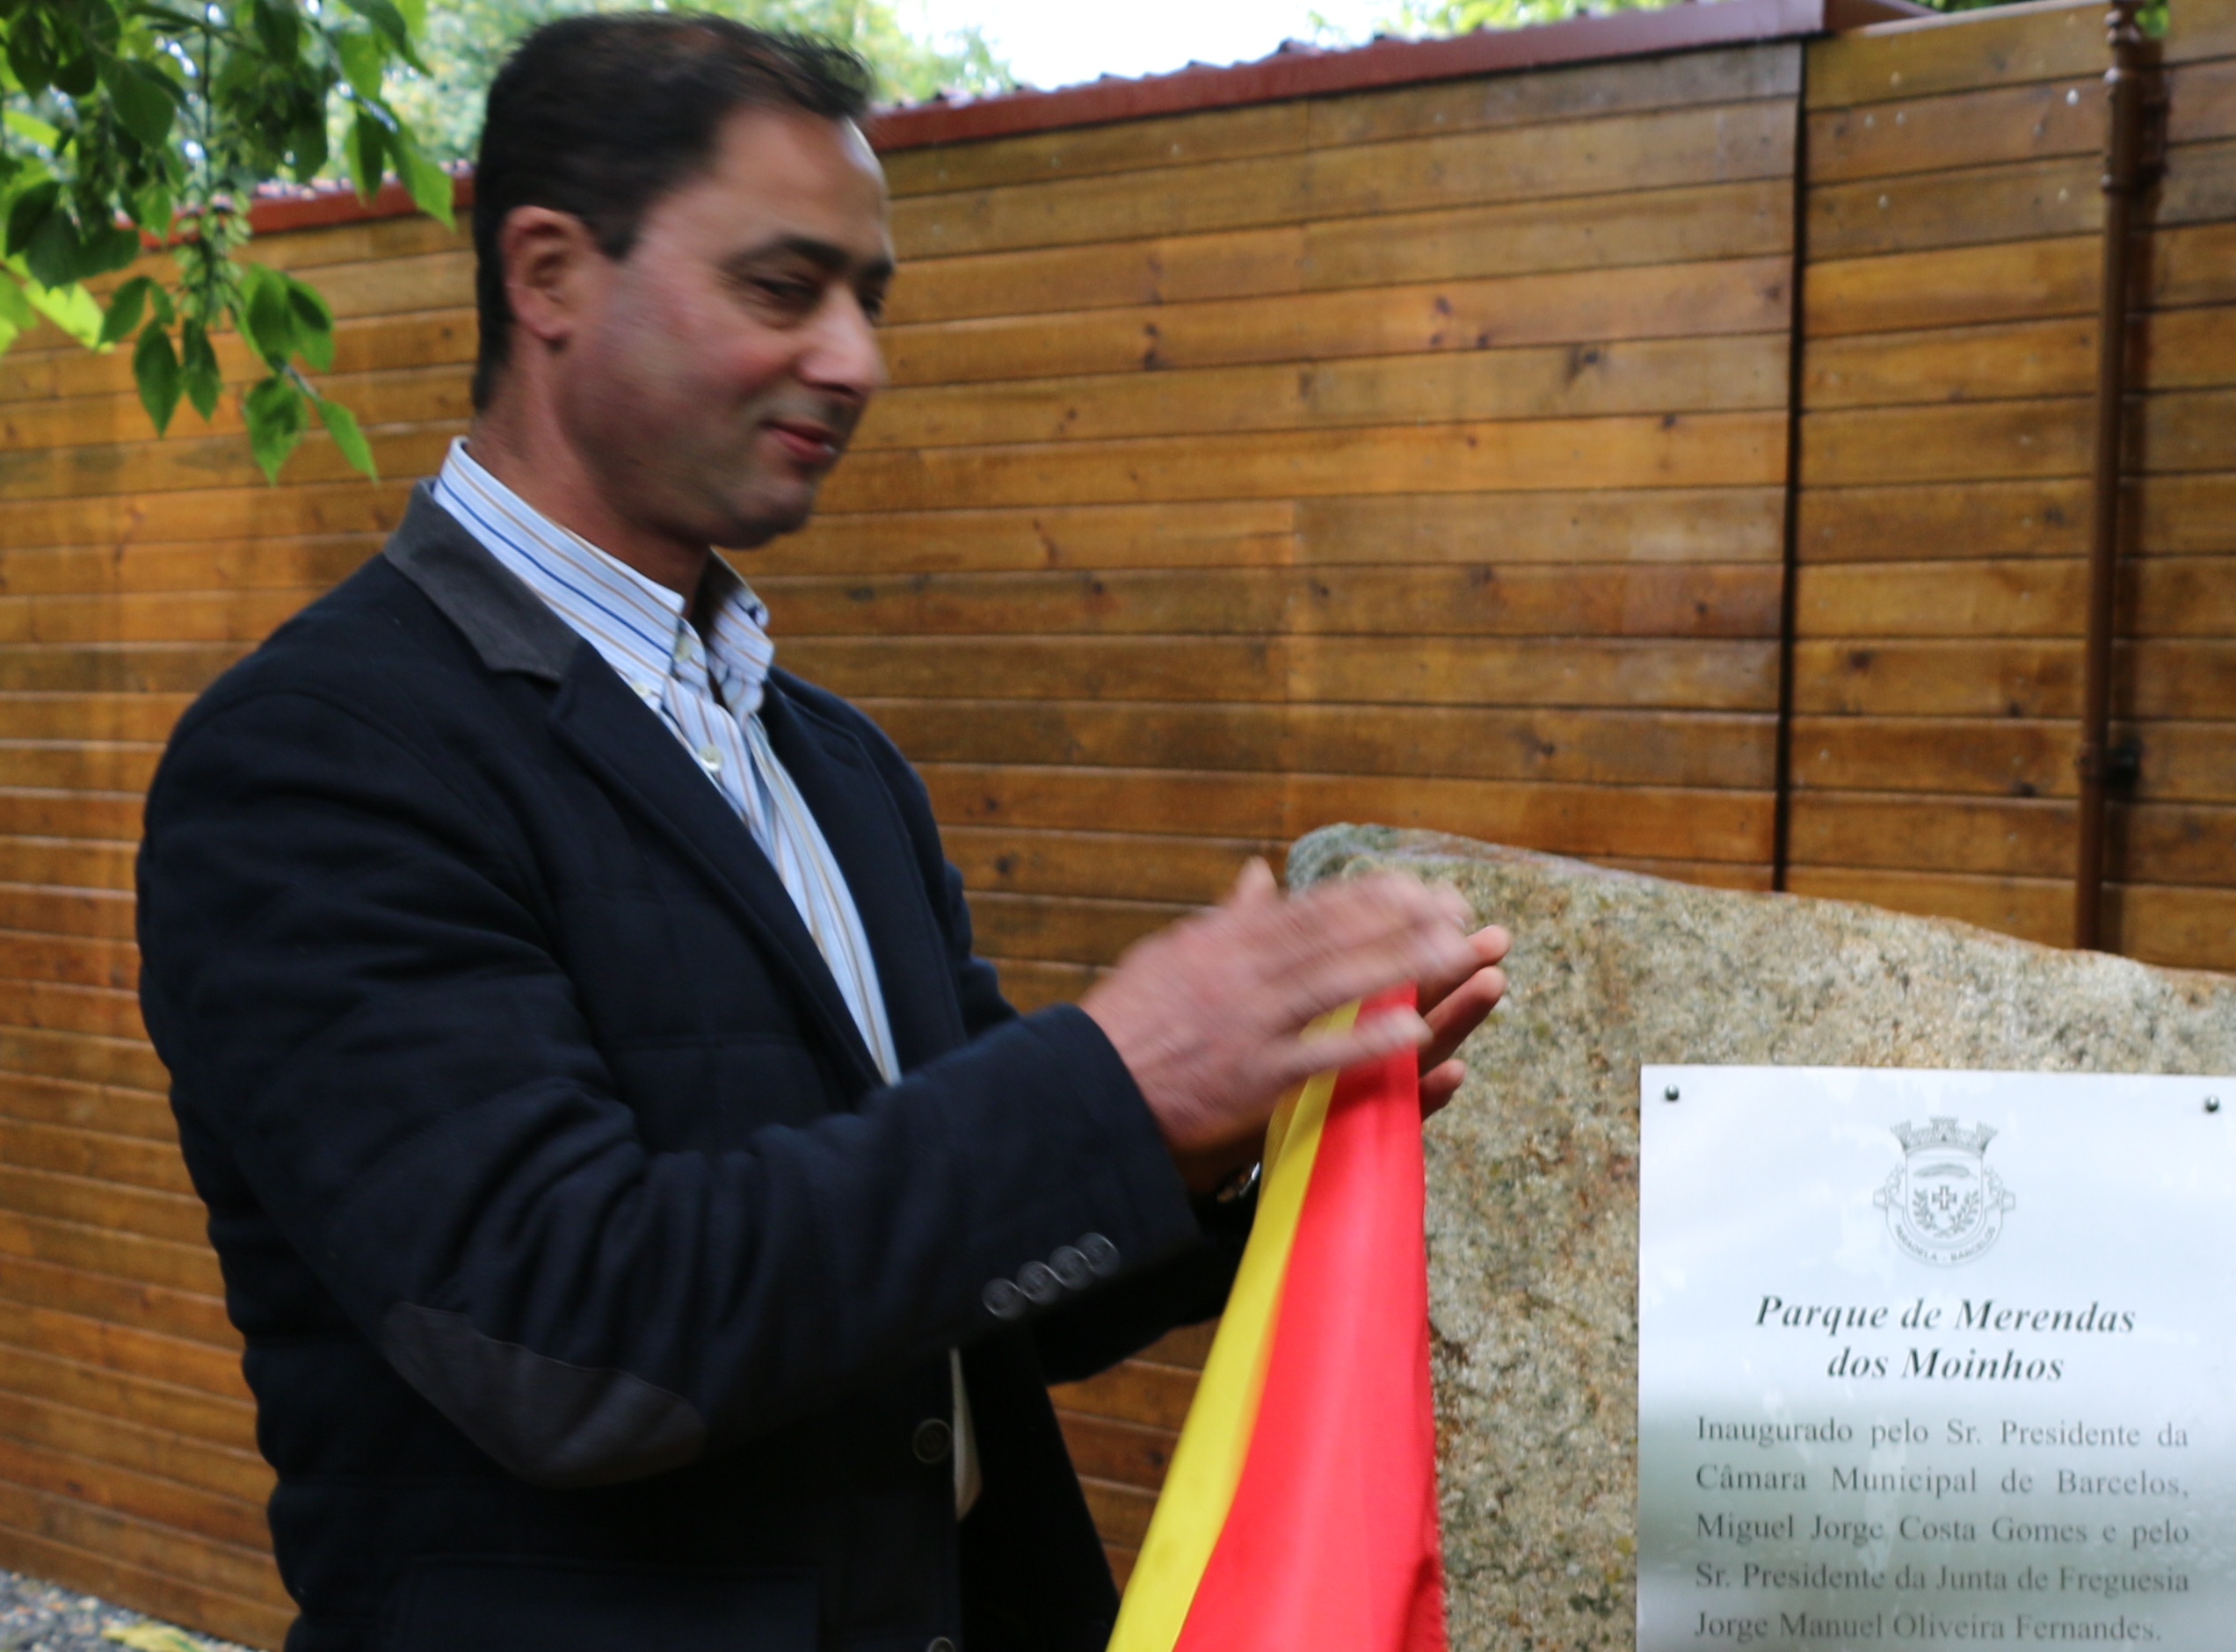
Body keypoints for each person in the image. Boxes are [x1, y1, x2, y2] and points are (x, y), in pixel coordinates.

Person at [134, 18, 1509, 1651]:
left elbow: (974, 1281)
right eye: (783, 289)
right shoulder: (317, 759)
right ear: (551, 274)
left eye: (870, 300)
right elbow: (565, 1338)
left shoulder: (835, 763)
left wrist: (1232, 1133)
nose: (856, 360)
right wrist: (1109, 1083)